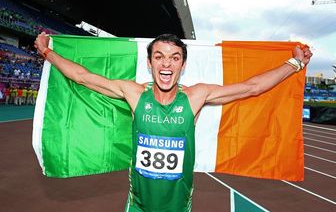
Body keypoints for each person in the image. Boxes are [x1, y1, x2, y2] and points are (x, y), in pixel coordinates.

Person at [34, 32, 312, 212]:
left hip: (179, 206)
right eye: (160, 56)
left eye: (174, 57)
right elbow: (82, 77)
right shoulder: (133, 93)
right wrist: (47, 52)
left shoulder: (196, 96)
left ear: (182, 65)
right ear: (150, 62)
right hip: (138, 205)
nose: (166, 64)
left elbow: (252, 87)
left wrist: (295, 64)